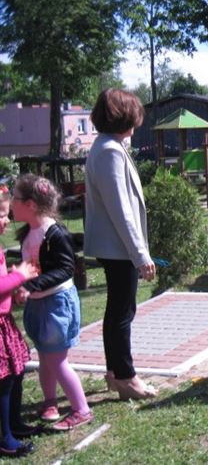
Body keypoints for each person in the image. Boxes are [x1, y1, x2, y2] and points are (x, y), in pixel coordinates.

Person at [85, 88, 158, 400]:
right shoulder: (109, 152)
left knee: (118, 309)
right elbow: (120, 209)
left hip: (115, 247)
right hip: (118, 248)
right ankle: (126, 378)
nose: (138, 122)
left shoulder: (108, 146)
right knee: (122, 312)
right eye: (134, 115)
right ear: (123, 117)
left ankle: (115, 373)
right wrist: (140, 254)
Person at [11, 175, 93, 431]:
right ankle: (50, 403)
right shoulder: (29, 232)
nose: (11, 203)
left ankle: (81, 410)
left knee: (57, 360)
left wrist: (30, 286)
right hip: (38, 304)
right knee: (45, 357)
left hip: (57, 304)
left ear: (31, 204)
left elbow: (65, 269)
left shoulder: (55, 233)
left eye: (15, 198)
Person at [0, 185, 38, 457]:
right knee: (4, 379)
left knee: (16, 371)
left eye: (6, 214)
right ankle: (4, 436)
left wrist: (15, 290)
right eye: (1, 215)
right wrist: (19, 277)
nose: (6, 220)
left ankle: (13, 423)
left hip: (4, 321)